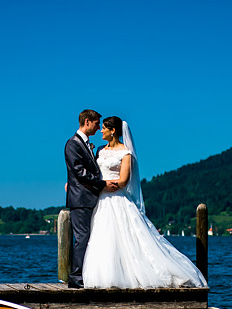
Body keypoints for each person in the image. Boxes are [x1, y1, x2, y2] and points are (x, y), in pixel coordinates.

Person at [82, 117, 207, 289]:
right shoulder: (100, 151)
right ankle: (105, 275)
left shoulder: (125, 153)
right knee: (103, 236)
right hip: (102, 199)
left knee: (125, 236)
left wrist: (110, 184)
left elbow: (124, 180)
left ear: (113, 131)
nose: (101, 131)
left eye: (104, 128)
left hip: (117, 197)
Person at [64, 110, 118, 288]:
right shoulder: (73, 144)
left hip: (88, 196)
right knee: (82, 237)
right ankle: (76, 277)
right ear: (87, 122)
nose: (98, 128)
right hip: (80, 199)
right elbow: (79, 171)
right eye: (96, 124)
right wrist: (102, 183)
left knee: (89, 236)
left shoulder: (86, 144)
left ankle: (85, 274)